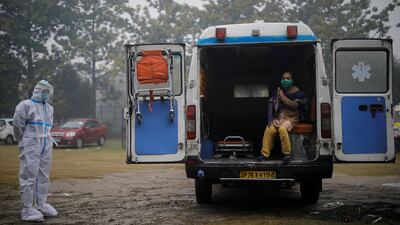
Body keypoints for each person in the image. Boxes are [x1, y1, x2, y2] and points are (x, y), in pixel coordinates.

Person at [13, 80, 58, 222]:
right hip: (31, 142)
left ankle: (41, 204)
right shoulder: (26, 105)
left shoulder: (49, 108)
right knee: (29, 174)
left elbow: (48, 127)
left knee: (44, 174)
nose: (46, 95)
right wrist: (23, 140)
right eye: (44, 92)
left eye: (48, 92)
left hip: (46, 143)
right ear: (38, 91)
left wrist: (49, 140)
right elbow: (17, 125)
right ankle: (27, 208)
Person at [257, 71, 306, 164]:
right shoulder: (278, 91)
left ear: (293, 80)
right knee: (269, 129)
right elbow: (271, 105)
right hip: (279, 118)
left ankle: (287, 154)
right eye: (283, 78)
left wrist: (283, 98)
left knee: (282, 130)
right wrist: (273, 119)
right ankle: (264, 154)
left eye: (288, 78)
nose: (285, 80)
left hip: (291, 119)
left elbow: (296, 106)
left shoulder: (298, 93)